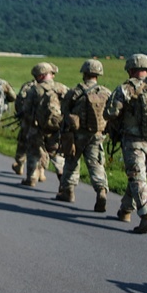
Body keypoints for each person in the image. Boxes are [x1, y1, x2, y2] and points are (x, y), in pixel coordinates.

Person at [56, 59, 111, 210]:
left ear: (84, 73)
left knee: (71, 161)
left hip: (76, 135)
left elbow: (64, 111)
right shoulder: (105, 93)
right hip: (97, 135)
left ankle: (68, 192)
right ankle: (101, 190)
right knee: (96, 164)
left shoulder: (74, 92)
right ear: (98, 74)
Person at [104, 53, 147, 233]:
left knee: (136, 176)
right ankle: (125, 210)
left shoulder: (126, 88)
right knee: (139, 175)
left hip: (133, 141)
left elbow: (110, 112)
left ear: (130, 70)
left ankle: (146, 215)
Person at [19, 62, 68, 187]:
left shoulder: (35, 89)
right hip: (57, 128)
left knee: (33, 152)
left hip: (37, 127)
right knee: (56, 154)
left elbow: (26, 109)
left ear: (39, 75)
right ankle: (63, 179)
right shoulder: (62, 88)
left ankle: (31, 178)